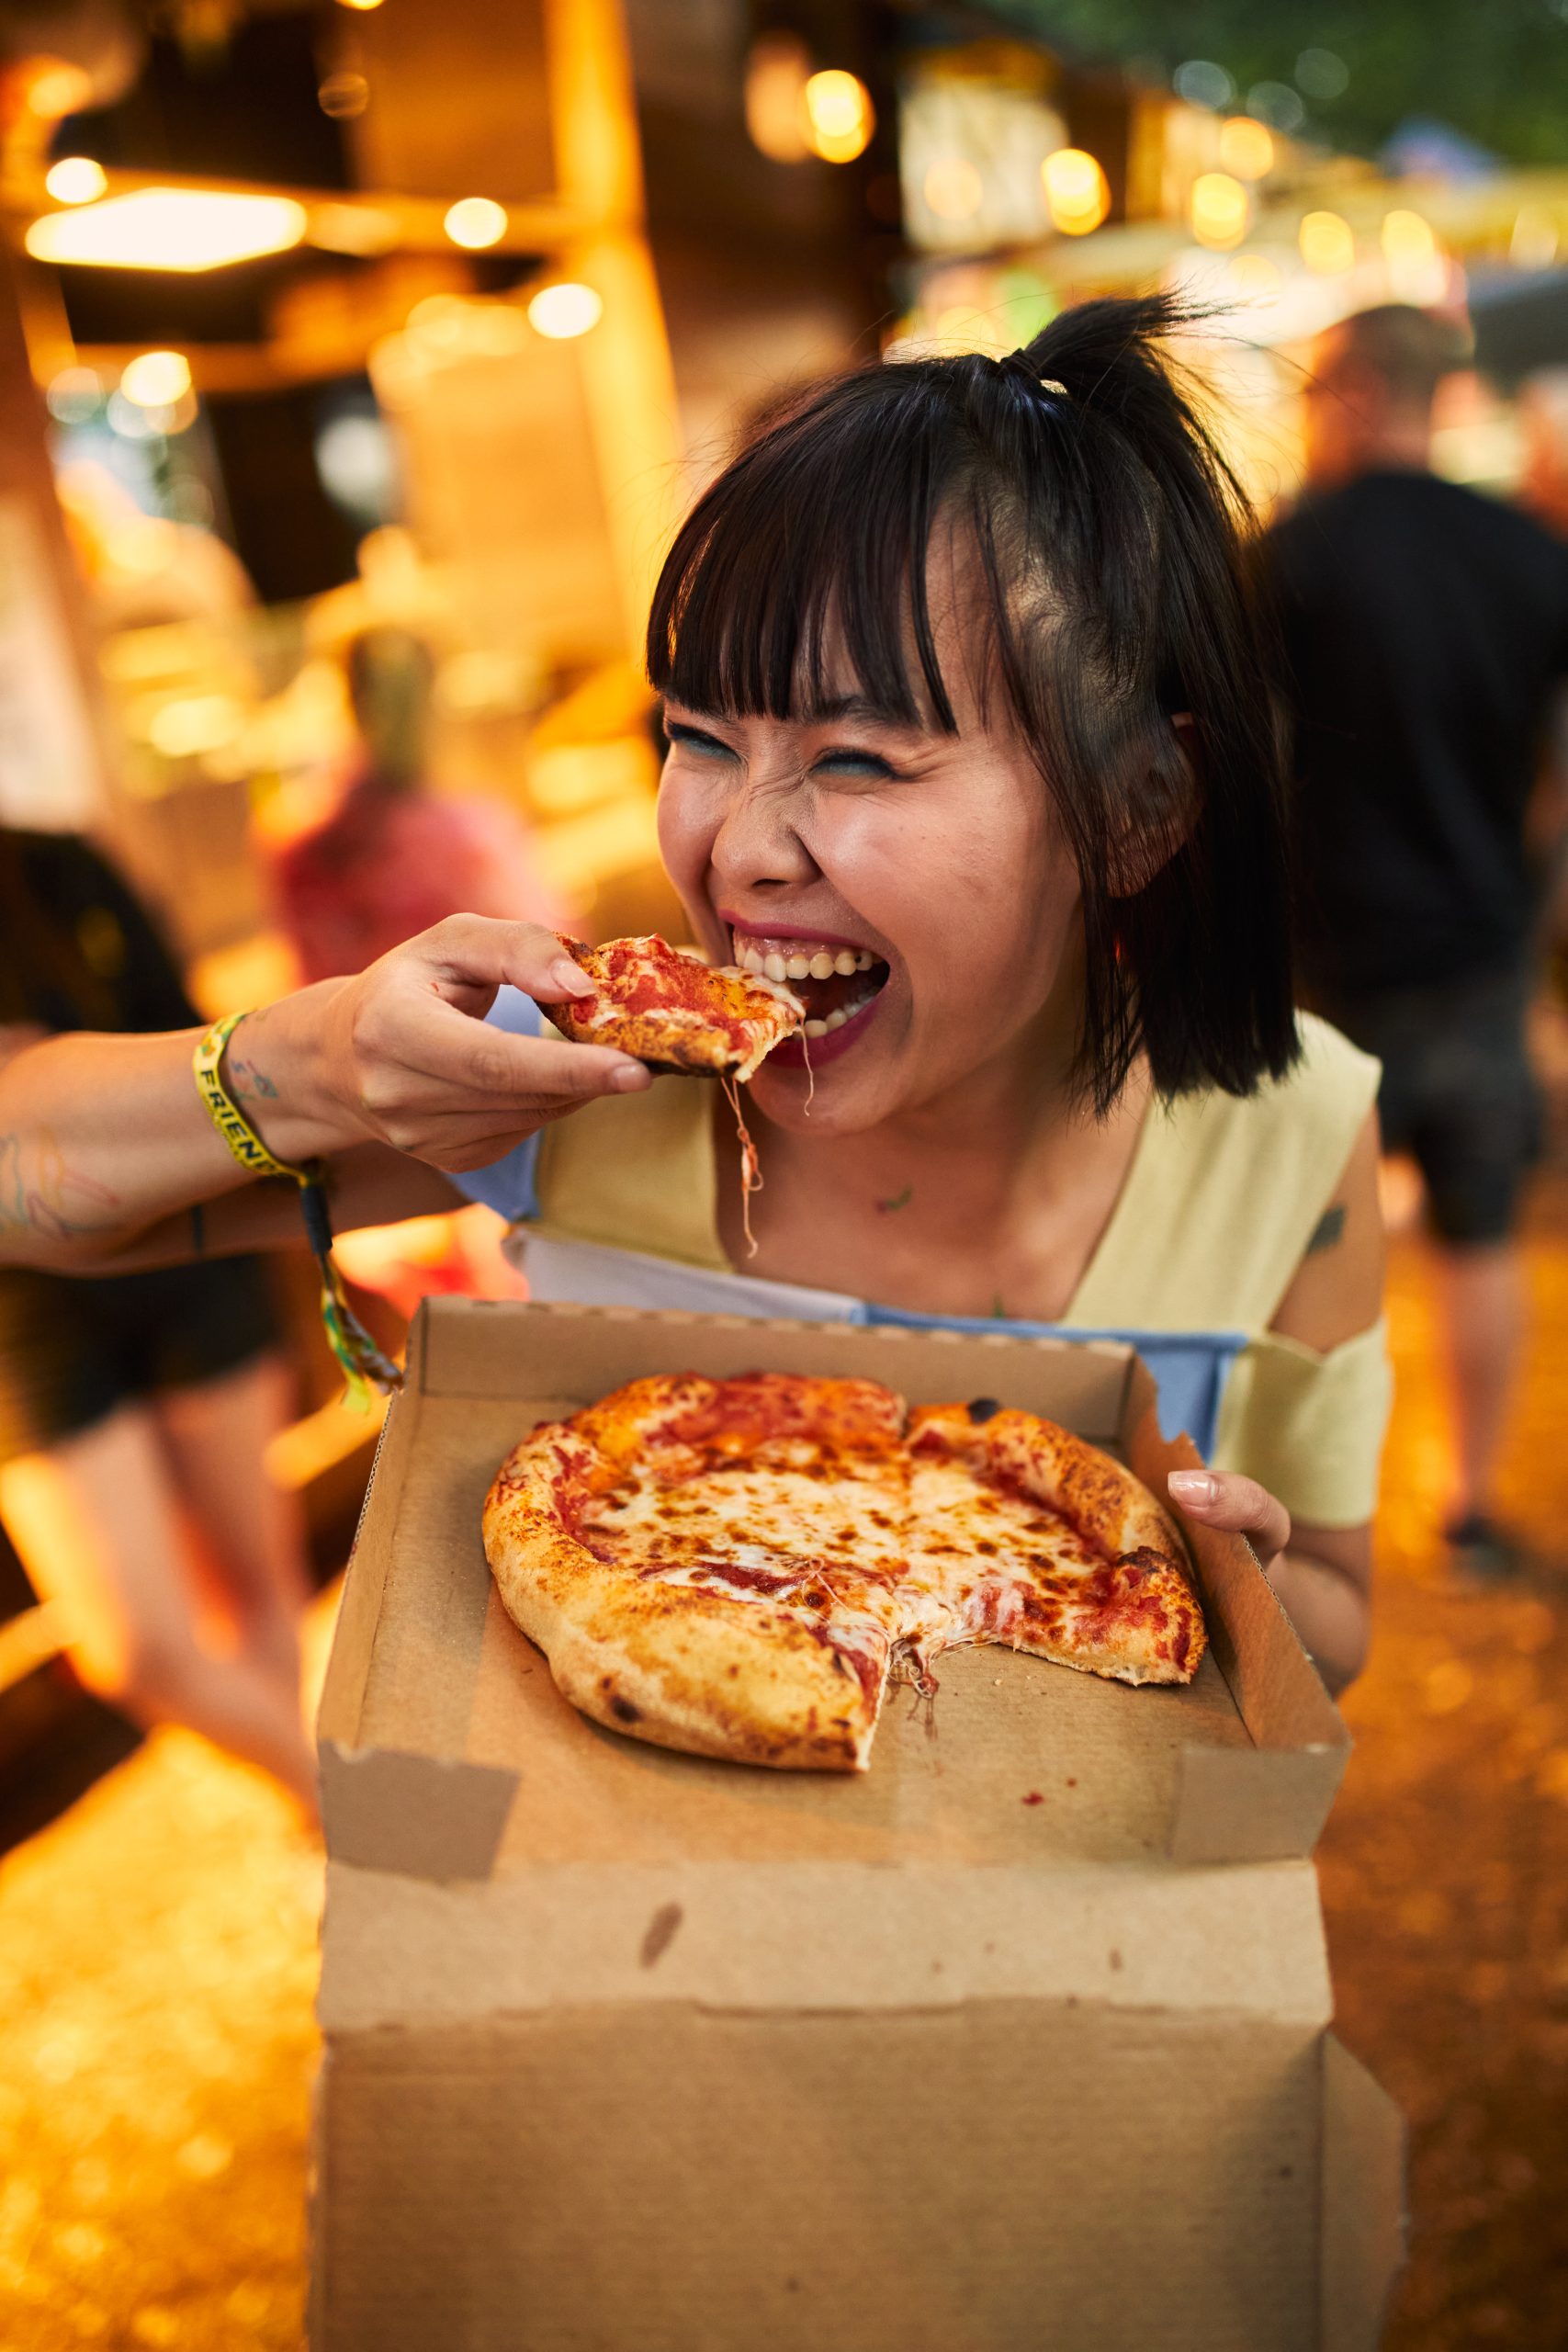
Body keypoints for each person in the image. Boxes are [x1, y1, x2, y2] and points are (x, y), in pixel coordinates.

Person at [0, 297, 1389, 1694]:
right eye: (699, 736)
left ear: (1137, 806)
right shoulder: (560, 1087)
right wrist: (313, 1060)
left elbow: (1333, 1597)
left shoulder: (1294, 1128)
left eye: (857, 758)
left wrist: (1247, 1591)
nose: (735, 848)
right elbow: (33, 1197)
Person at [1265, 302, 1568, 1581]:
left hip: (1323, 966)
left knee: (1294, 1242)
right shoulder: (1523, 550)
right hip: (1475, 949)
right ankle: (1467, 1502)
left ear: (1342, 394)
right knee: (1476, 1231)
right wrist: (1531, 913)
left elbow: (1239, 763)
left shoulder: (1284, 554)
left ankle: (1275, 1501)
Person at [0, 829, 316, 1809]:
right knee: (133, 1649)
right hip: (21, 1316)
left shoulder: (60, 871)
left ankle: (331, 1844)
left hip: (181, 1256)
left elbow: (188, 1045)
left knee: (257, 1597)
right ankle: (371, 1819)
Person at [269, 625, 567, 983]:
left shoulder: (294, 840)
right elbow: (553, 953)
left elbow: (311, 985)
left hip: (352, 1030)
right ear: (435, 697)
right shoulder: (472, 833)